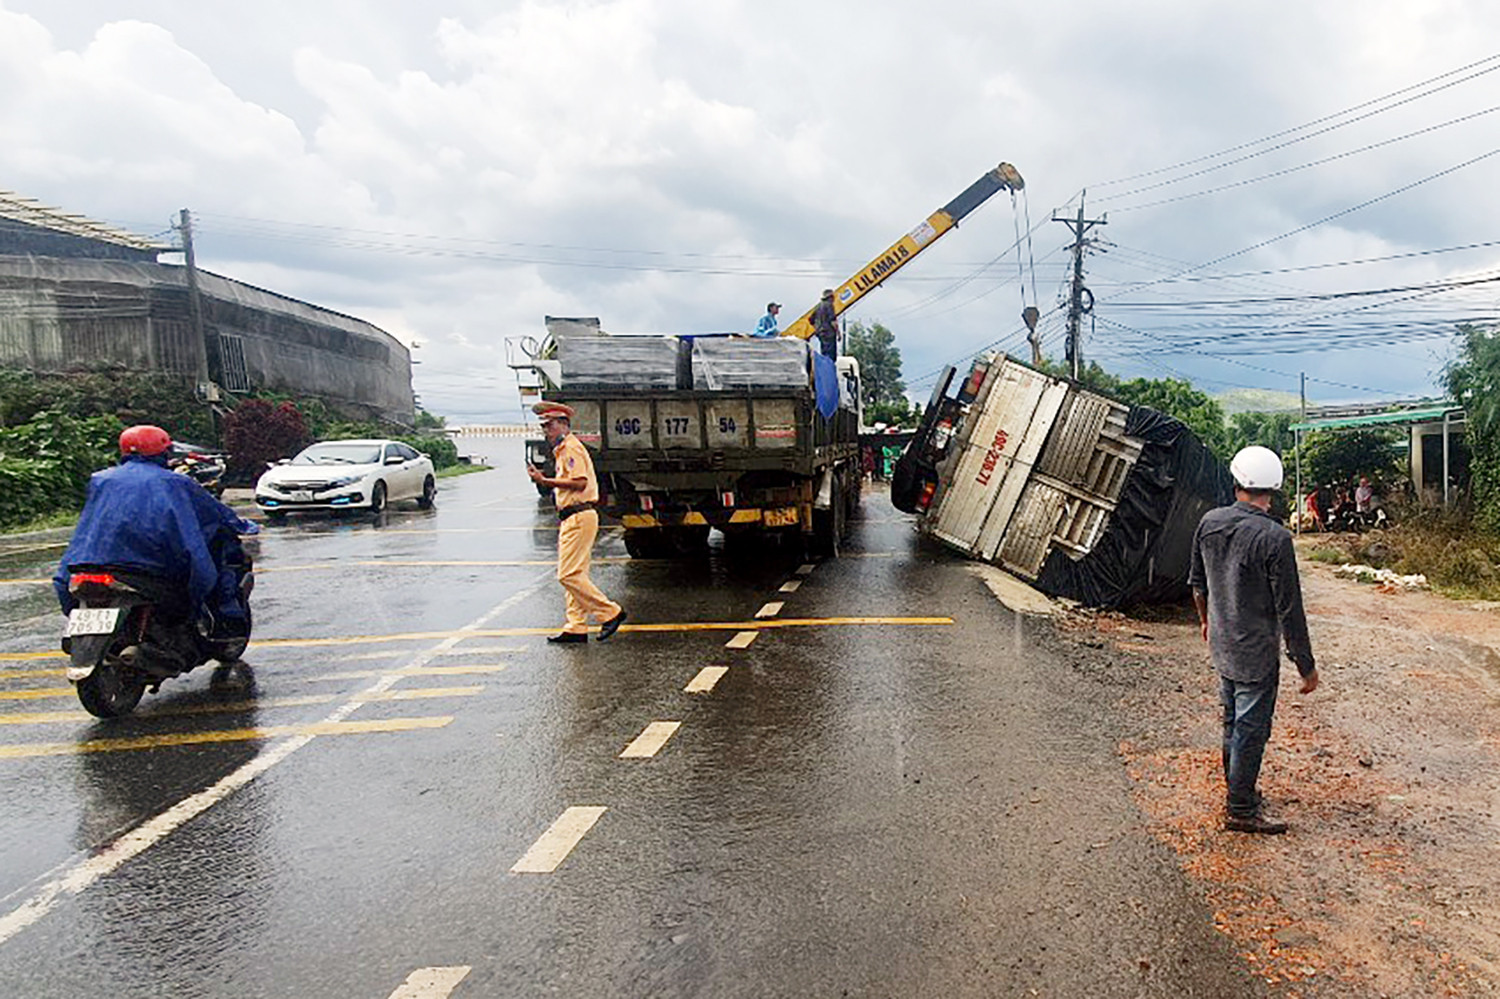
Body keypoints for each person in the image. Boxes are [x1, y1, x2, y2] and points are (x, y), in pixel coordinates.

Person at [1189, 445, 1320, 835]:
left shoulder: (1209, 522)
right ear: (1273, 489)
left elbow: (1198, 584)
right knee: (1250, 728)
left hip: (1223, 642)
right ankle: (1241, 808)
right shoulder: (1274, 538)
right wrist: (1306, 665)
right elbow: (1289, 610)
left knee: (1232, 719)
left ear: (1236, 482)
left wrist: (1205, 623)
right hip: (1257, 653)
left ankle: (1239, 791)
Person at [54, 425, 258, 639]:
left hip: (88, 561)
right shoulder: (175, 482)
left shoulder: (100, 479)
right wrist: (243, 525)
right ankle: (220, 624)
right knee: (207, 570)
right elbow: (214, 512)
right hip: (147, 565)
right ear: (163, 452)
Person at [526, 402, 627, 644]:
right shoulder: (563, 449)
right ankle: (576, 626)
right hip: (573, 516)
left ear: (563, 424)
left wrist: (546, 481)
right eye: (544, 427)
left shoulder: (571, 448)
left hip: (579, 515)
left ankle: (610, 612)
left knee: (568, 574)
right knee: (576, 572)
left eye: (549, 426)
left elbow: (580, 482)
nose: (546, 431)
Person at [811, 288, 839, 359]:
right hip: (829, 333)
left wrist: (817, 328)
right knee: (831, 355)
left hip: (821, 333)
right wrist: (838, 333)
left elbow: (811, 319)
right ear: (830, 297)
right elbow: (832, 320)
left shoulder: (818, 307)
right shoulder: (829, 305)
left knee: (824, 352)